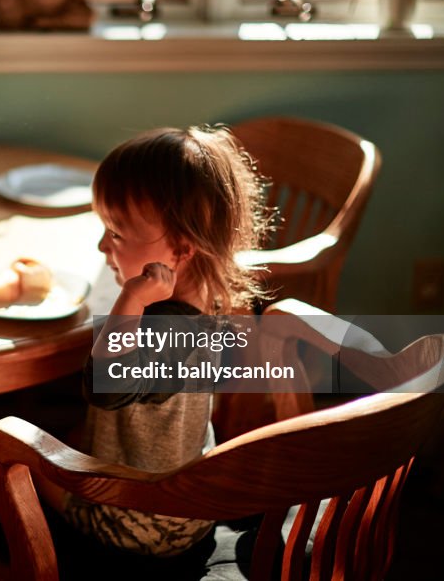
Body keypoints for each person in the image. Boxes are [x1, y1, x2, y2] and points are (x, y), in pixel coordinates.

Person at [35, 125, 270, 560]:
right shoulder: (208, 300)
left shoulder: (166, 334)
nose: (102, 244)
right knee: (70, 432)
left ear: (181, 249)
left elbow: (106, 386)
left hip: (136, 522)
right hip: (189, 503)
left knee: (19, 457)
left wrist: (130, 297)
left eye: (117, 234)